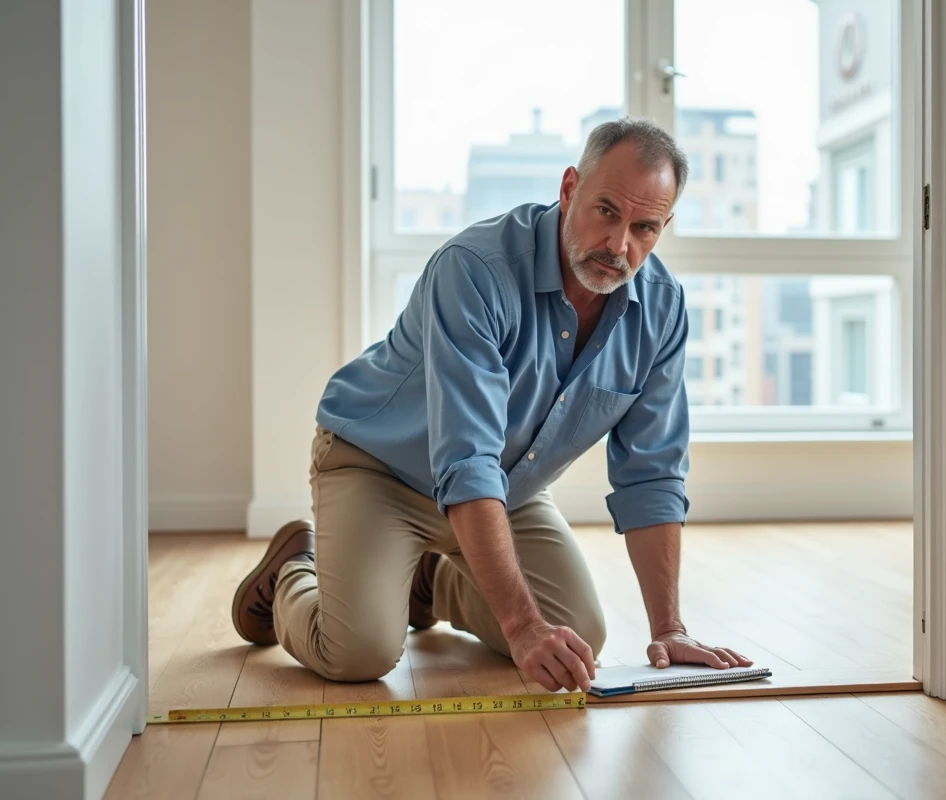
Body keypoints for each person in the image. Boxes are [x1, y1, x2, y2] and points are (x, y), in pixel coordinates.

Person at [231, 117, 752, 693]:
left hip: (505, 490)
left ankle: (427, 579)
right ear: (569, 187)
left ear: (664, 226)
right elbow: (466, 456)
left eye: (645, 227)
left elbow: (652, 474)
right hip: (380, 467)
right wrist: (522, 625)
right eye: (607, 211)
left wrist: (669, 627)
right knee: (360, 652)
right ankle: (294, 574)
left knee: (578, 636)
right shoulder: (475, 271)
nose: (618, 245)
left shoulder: (662, 308)